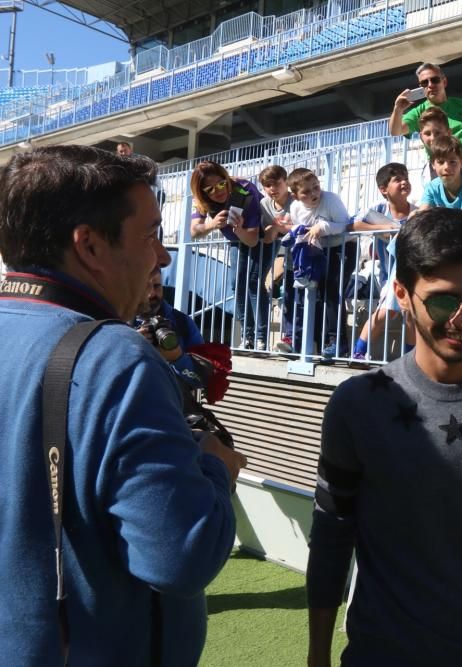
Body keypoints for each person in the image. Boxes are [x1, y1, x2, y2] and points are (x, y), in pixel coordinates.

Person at [0, 145, 245, 664]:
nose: (161, 256)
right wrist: (215, 468)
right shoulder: (117, 359)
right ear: (88, 245)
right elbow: (181, 558)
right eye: (151, 234)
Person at [306, 208, 462, 666]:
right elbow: (332, 533)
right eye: (443, 302)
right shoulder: (356, 404)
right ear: (402, 293)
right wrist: (318, 654)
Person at [284, 168, 398, 358]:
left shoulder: (331, 200)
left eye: (316, 187)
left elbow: (346, 226)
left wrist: (323, 226)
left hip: (343, 248)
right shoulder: (295, 208)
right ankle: (320, 342)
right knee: (317, 294)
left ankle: (337, 342)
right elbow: (302, 228)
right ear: (295, 196)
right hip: (319, 249)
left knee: (332, 292)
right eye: (306, 192)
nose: (314, 194)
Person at [188, 160, 274, 351]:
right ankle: (247, 336)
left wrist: (238, 227)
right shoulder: (202, 200)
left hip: (262, 237)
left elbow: (252, 239)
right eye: (210, 189)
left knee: (253, 282)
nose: (218, 191)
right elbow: (194, 231)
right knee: (237, 284)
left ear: (226, 179)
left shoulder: (243, 191)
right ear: (203, 193)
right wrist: (211, 225)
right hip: (236, 240)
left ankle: (260, 338)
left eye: (221, 184)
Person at [390, 62, 462, 190]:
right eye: (424, 83)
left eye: (434, 80)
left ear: (444, 82)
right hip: (442, 180)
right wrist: (397, 109)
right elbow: (395, 131)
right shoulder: (418, 112)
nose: (430, 85)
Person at [351, 162, 416, 361]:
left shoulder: (417, 210)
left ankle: (409, 358)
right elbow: (354, 224)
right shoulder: (378, 209)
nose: (404, 182)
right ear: (383, 189)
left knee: (410, 315)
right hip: (389, 275)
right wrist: (384, 228)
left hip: (411, 272)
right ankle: (359, 351)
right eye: (398, 179)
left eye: (406, 177)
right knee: (385, 312)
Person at [258, 165, 297, 353]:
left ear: (286, 182)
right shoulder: (265, 204)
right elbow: (267, 236)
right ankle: (289, 337)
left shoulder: (296, 200)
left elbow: (302, 226)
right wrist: (275, 228)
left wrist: (282, 228)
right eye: (267, 185)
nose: (272, 189)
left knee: (300, 296)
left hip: (304, 252)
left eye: (276, 183)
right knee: (287, 295)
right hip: (285, 254)